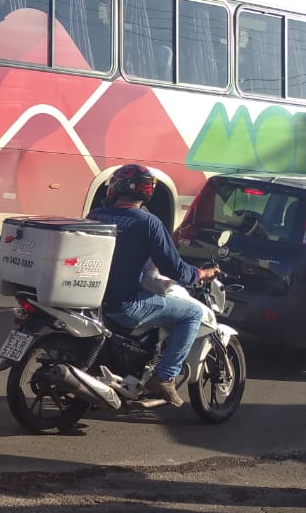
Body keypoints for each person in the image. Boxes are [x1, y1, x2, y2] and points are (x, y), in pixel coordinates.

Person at [88, 164, 219, 406]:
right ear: (147, 191)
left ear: (114, 187)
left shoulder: (96, 215)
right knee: (193, 312)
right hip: (125, 305)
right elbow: (173, 268)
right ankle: (165, 376)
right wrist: (200, 273)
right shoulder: (148, 222)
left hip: (92, 301)